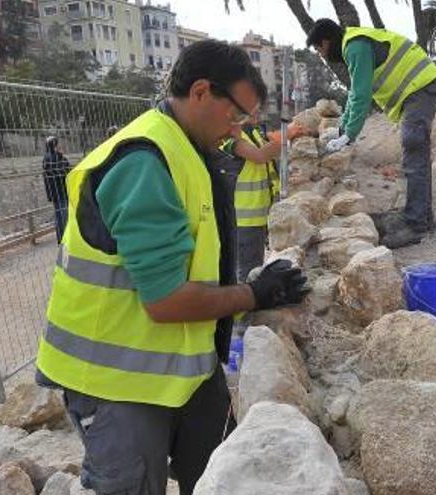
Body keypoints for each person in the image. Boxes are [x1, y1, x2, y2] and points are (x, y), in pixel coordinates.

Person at [34, 40, 309, 495]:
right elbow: (165, 300)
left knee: (222, 475)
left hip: (183, 371)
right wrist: (254, 295)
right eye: (237, 115)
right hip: (117, 384)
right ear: (202, 91)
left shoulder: (188, 148)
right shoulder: (145, 161)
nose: (238, 129)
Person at [306, 19, 436, 249]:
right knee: (415, 153)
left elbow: (362, 95)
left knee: (413, 148)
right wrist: (341, 129)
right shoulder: (354, 45)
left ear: (326, 41)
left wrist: (349, 135)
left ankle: (416, 223)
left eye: (319, 49)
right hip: (418, 89)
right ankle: (422, 216)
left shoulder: (355, 47)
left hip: (420, 87)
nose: (321, 54)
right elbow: (354, 94)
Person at [221, 120, 304, 281]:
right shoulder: (229, 138)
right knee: (247, 271)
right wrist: (286, 135)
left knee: (254, 266)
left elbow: (268, 143)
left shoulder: (251, 132)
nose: (256, 111)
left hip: (257, 216)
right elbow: (260, 156)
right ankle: (244, 303)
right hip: (244, 220)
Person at [42, 136, 71, 242]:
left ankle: (61, 238)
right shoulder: (56, 158)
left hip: (54, 192)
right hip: (61, 191)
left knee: (59, 215)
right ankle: (65, 239)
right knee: (63, 216)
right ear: (55, 145)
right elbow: (66, 171)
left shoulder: (47, 158)